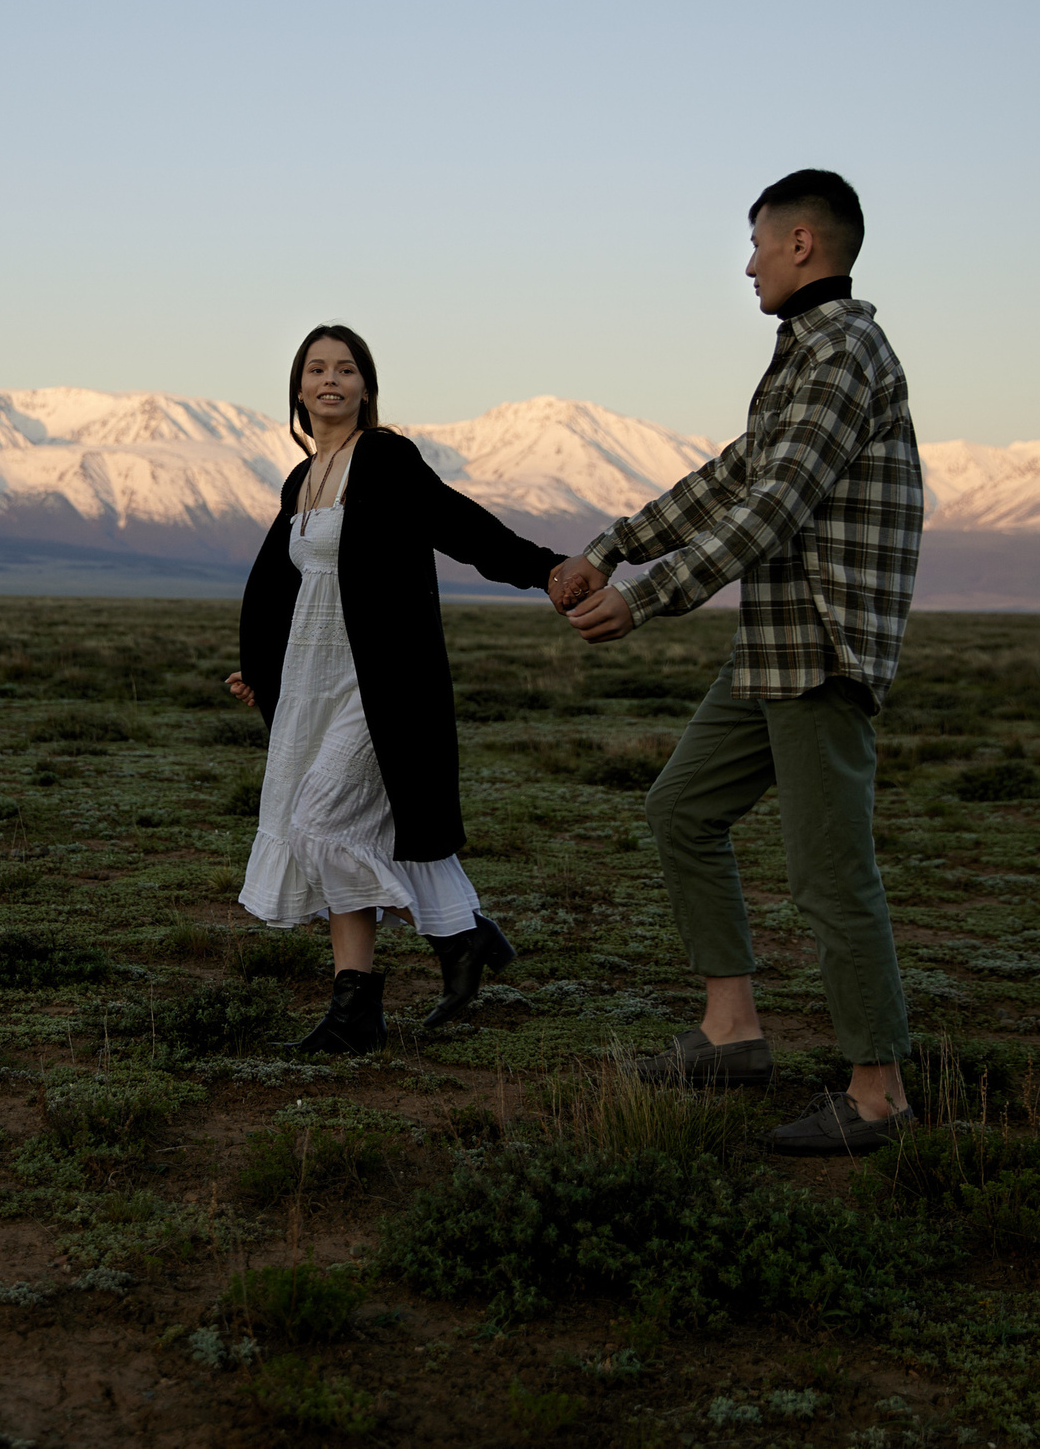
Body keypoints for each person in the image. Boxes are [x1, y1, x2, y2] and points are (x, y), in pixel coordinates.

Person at [547, 169, 925, 1155]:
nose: (749, 264)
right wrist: (611, 547)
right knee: (681, 808)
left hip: (821, 651)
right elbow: (731, 476)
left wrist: (645, 596)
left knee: (831, 878)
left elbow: (772, 509)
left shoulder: (844, 354)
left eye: (757, 244)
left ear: (802, 242)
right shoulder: (803, 357)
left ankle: (878, 1094)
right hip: (770, 650)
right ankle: (731, 1033)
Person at [227, 324, 565, 1053]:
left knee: (321, 826)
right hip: (315, 681)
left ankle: (457, 934)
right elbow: (281, 586)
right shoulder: (301, 478)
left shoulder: (382, 458)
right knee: (350, 833)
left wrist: (544, 569)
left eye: (346, 369)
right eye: (317, 369)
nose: (331, 380)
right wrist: (262, 669)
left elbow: (457, 523)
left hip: (376, 681)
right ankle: (357, 1010)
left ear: (366, 387)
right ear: (297, 388)